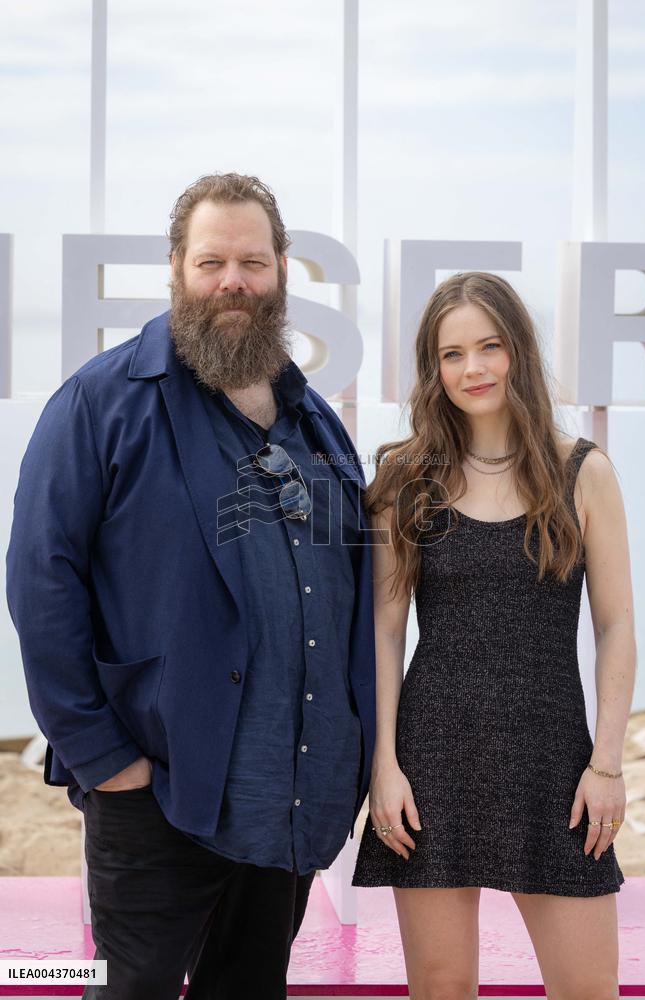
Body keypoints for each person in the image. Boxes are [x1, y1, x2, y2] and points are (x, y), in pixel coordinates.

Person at [6, 172, 375, 1000]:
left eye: (252, 260)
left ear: (282, 271)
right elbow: (41, 581)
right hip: (156, 793)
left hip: (288, 795)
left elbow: (345, 587)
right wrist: (105, 760)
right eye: (212, 262)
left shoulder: (314, 421)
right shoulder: (98, 403)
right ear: (177, 268)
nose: (232, 281)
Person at [352, 272, 635, 1000]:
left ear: (518, 351)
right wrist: (383, 767)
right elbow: (384, 634)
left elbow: (615, 624)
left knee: (588, 987)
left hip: (553, 763)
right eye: (451, 354)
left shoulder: (583, 471)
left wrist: (605, 762)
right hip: (432, 760)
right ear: (431, 368)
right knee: (440, 986)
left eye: (489, 347)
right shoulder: (400, 478)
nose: (471, 369)